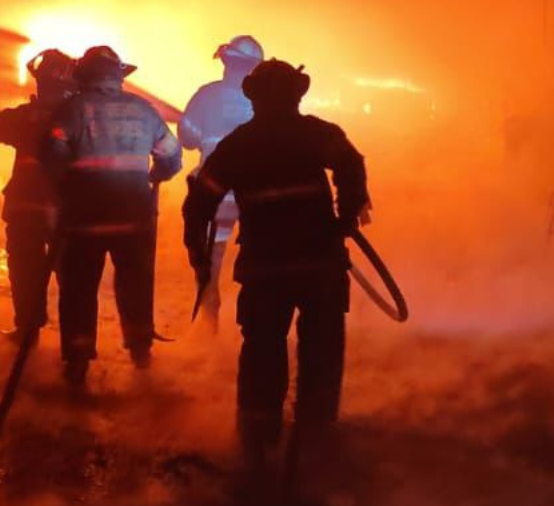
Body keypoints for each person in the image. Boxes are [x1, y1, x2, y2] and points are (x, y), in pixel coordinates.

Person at [182, 58, 371, 484]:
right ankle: (315, 430)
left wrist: (198, 256)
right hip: (318, 263)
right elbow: (351, 164)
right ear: (296, 94)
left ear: (254, 98)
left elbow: (199, 203)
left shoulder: (238, 145)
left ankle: (258, 436)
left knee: (262, 349)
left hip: (266, 267)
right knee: (322, 347)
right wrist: (346, 215)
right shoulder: (316, 133)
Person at [44, 45, 182, 384]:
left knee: (78, 289)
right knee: (136, 285)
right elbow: (171, 155)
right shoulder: (144, 110)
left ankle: (78, 362)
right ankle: (141, 353)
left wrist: (65, 189)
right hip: (134, 219)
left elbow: (53, 155)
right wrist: (157, 175)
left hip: (84, 219)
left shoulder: (72, 109)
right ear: (118, 76)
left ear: (84, 76)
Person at [0, 49, 77, 339]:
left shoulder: (24, 117)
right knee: (73, 275)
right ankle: (75, 339)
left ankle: (28, 330)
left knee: (26, 271)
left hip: (26, 207)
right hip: (69, 209)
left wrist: (31, 112)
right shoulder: (81, 117)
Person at [179, 34, 264, 326]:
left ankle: (209, 325)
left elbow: (188, 138)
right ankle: (258, 325)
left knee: (211, 258)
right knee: (260, 255)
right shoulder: (266, 101)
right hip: (256, 196)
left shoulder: (207, 95)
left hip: (215, 194)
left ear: (226, 61)